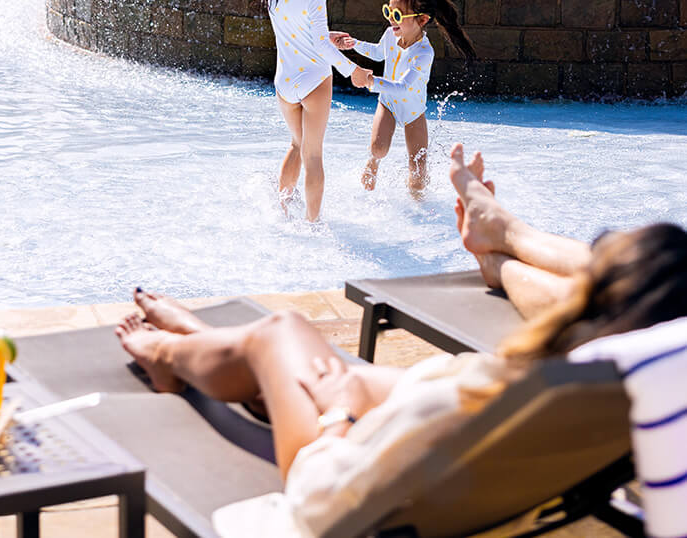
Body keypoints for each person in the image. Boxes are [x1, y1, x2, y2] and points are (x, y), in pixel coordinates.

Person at [115, 143, 687, 537]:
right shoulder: (637, 385)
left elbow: (321, 506)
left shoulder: (485, 397)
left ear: (587, 301)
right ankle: (205, 342)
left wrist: (337, 419)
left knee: (280, 332)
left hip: (353, 508)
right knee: (327, 371)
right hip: (459, 471)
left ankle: (168, 355)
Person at [250, 0, 371, 222]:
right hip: (315, 80)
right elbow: (317, 47)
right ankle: (312, 225)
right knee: (313, 154)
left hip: (284, 84)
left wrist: (329, 37)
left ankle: (283, 211)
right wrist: (352, 70)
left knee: (295, 144)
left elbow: (297, 32)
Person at [330, 0, 476, 196]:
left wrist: (371, 81)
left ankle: (419, 215)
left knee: (418, 176)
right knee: (378, 149)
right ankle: (373, 162)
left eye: (397, 15)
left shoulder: (424, 53)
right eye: (388, 11)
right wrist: (353, 44)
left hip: (413, 112)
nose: (391, 19)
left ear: (422, 19)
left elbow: (404, 87)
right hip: (388, 103)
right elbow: (379, 53)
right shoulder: (391, 34)